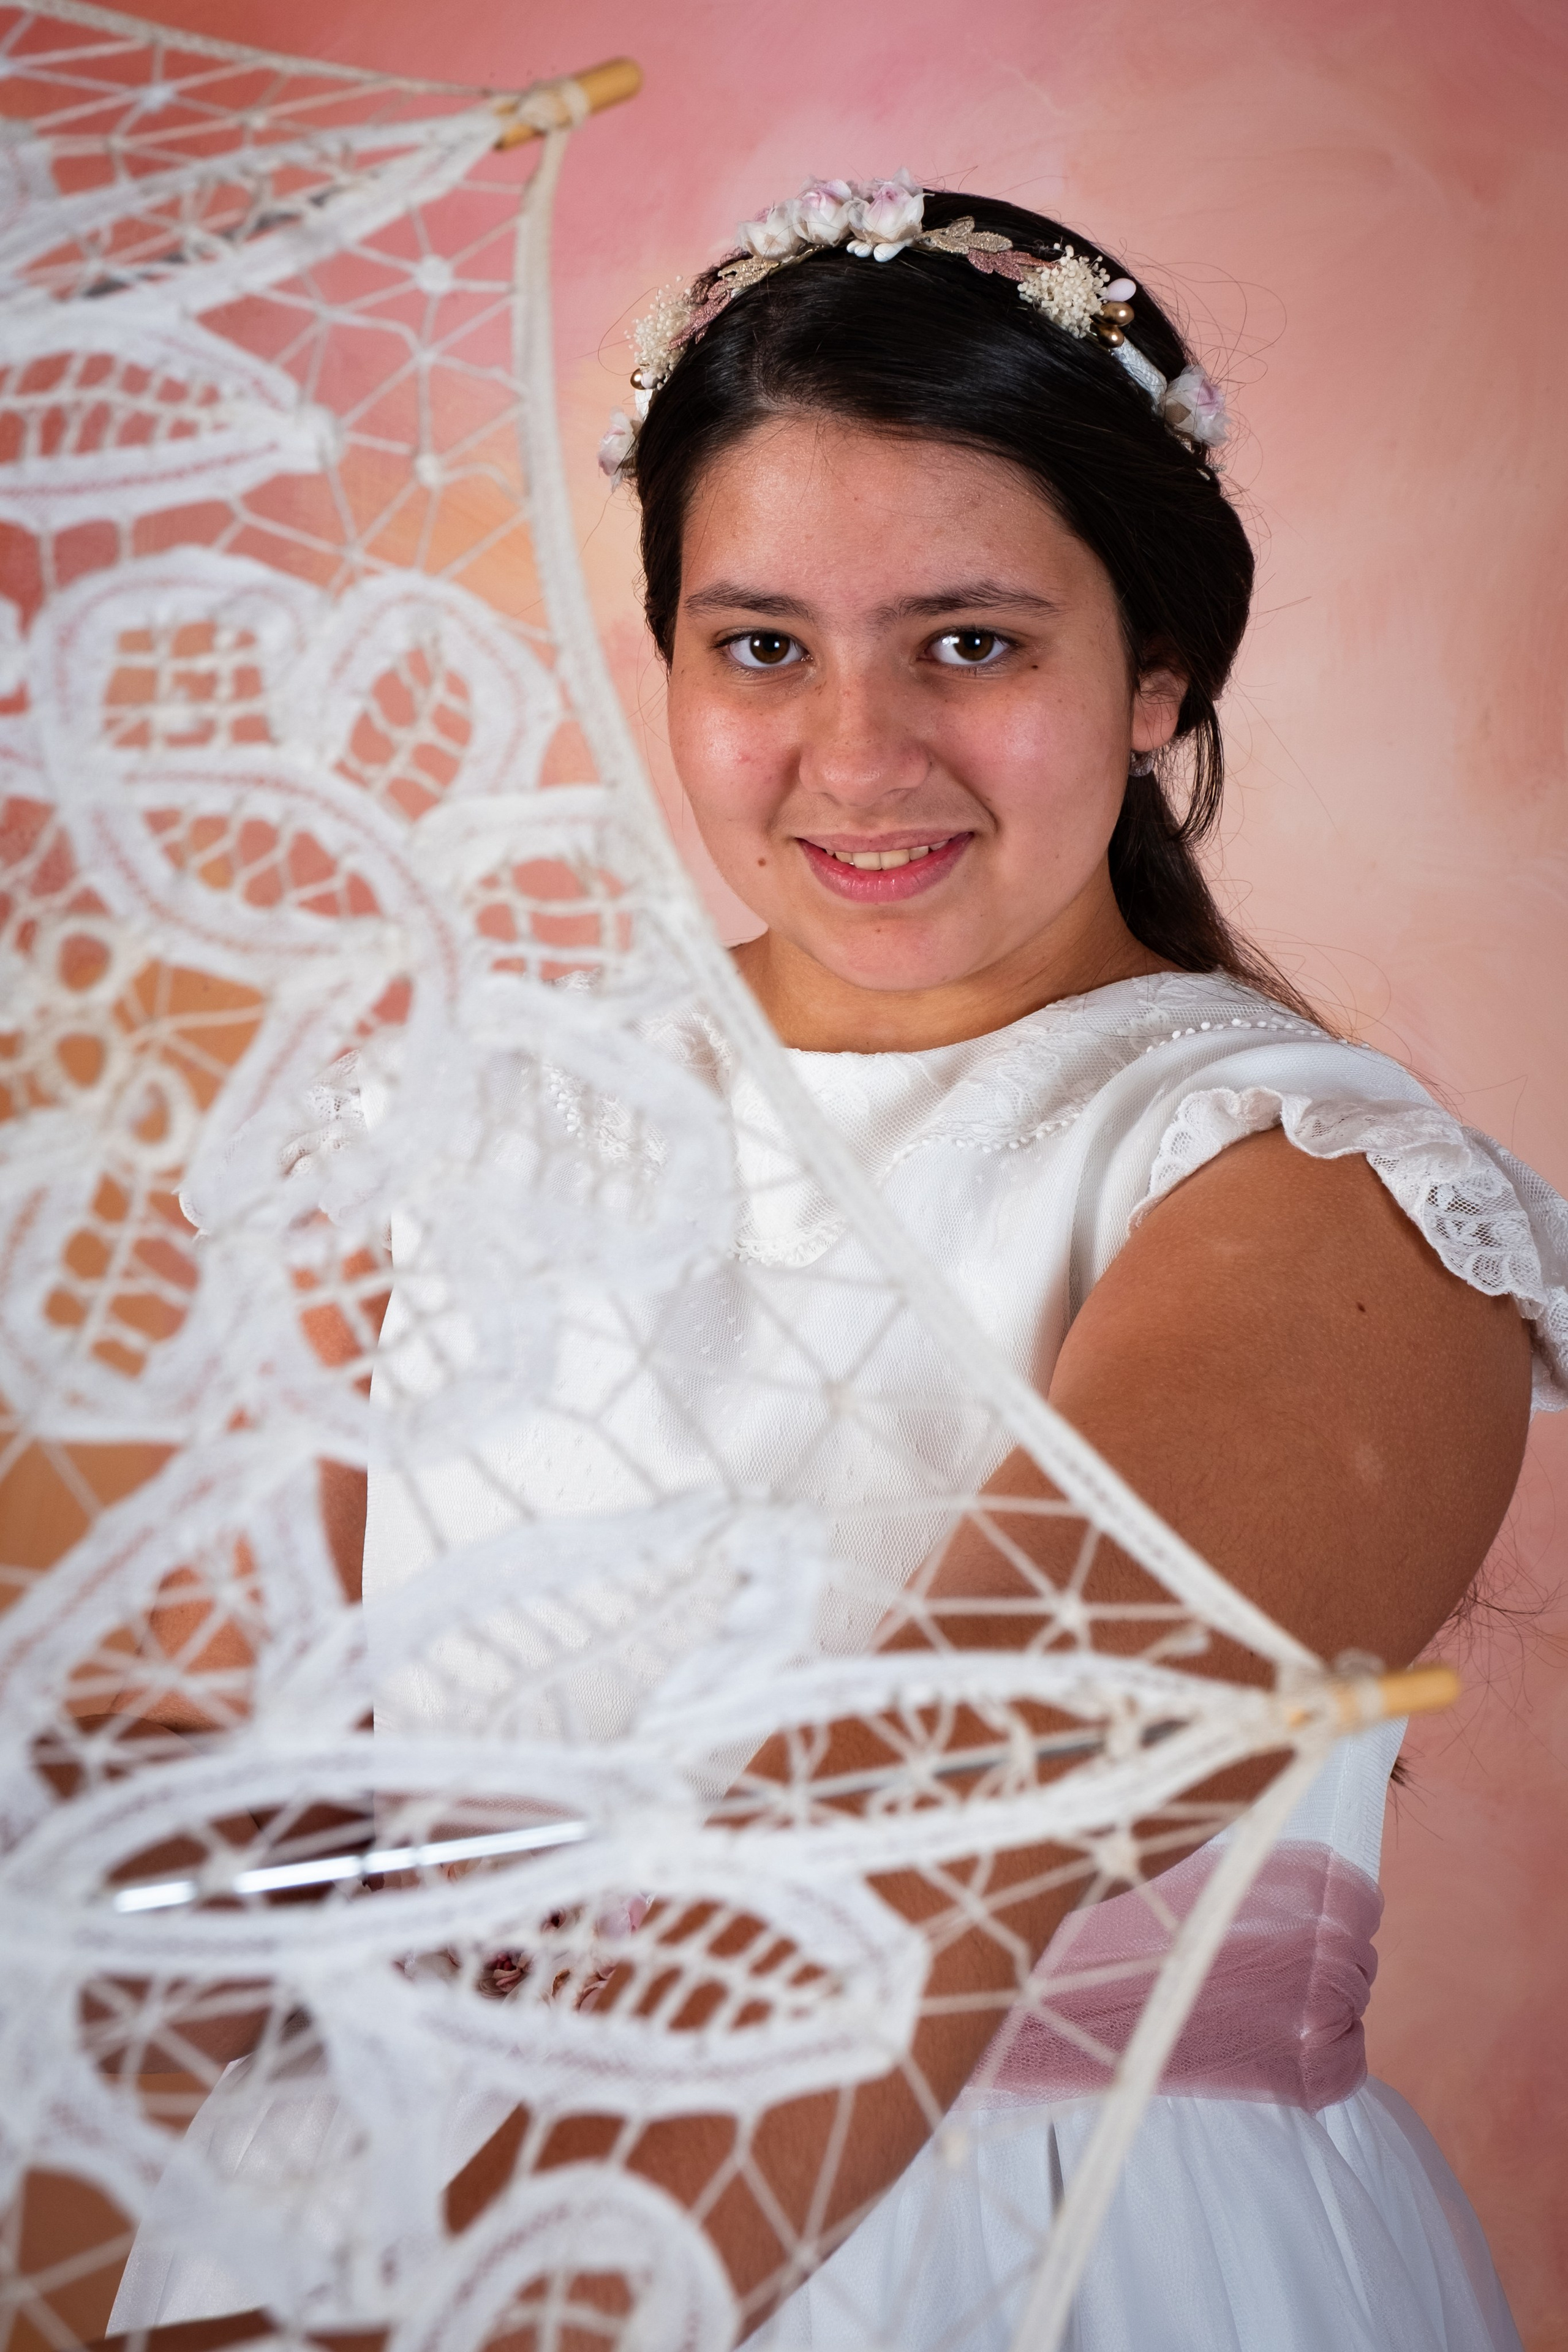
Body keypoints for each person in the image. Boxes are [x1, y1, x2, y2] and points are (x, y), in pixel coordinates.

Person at [113, 178, 1567, 2352]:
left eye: (971, 642)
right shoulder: (431, 1136)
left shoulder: (1309, 1190)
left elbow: (923, 1846)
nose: (856, 761)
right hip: (331, 2212)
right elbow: (292, 1813)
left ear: (1158, 671)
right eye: (761, 644)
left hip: (1034, 2254)